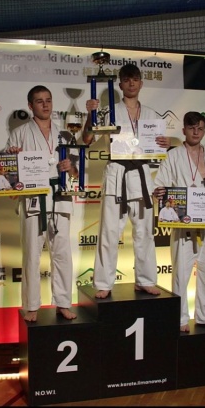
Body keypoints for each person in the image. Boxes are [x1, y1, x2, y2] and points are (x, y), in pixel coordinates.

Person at [82, 63, 170, 298]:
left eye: (135, 79)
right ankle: (103, 283)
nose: (131, 83)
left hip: (141, 175)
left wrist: (165, 144)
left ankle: (145, 280)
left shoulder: (151, 115)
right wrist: (90, 115)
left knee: (144, 232)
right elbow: (87, 139)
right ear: (120, 84)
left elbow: (158, 147)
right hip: (117, 173)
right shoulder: (108, 111)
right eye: (127, 79)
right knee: (110, 232)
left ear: (141, 83)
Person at [5, 85, 78, 322]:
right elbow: (8, 175)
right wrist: (12, 158)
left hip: (60, 197)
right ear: (30, 106)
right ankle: (32, 305)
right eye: (39, 101)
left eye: (48, 100)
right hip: (33, 199)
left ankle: (63, 303)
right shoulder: (19, 134)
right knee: (32, 254)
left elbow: (77, 172)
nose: (45, 105)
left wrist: (71, 167)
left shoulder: (64, 134)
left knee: (62, 254)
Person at [153, 111, 205, 332]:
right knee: (181, 273)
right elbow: (160, 184)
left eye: (200, 128)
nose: (196, 132)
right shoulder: (173, 155)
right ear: (184, 130)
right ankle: (180, 318)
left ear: (204, 131)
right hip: (183, 224)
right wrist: (158, 192)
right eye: (192, 128)